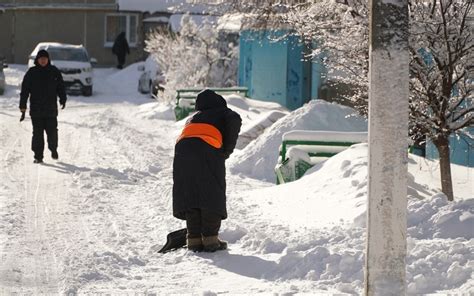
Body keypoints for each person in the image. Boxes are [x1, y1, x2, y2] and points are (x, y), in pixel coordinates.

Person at [173, 89, 242, 252]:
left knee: (191, 193)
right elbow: (235, 120)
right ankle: (211, 240)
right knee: (210, 192)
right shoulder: (225, 113)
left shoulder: (193, 118)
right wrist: (226, 151)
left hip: (182, 153)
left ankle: (194, 239)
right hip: (208, 151)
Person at [20, 49, 67, 163]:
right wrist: (23, 105)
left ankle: (53, 149)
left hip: (50, 109)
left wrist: (63, 99)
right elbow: (25, 90)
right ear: (37, 60)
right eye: (41, 59)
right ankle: (38, 156)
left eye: (45, 59)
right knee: (37, 134)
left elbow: (61, 86)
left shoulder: (54, 71)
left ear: (48, 60)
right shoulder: (31, 73)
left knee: (52, 132)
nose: (43, 61)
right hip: (36, 110)